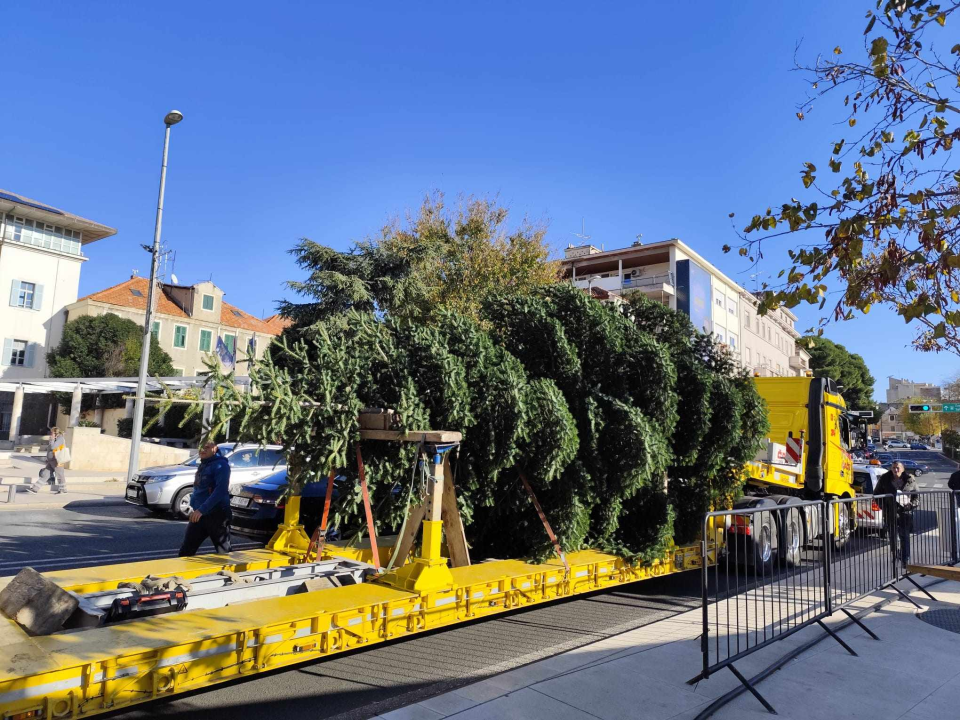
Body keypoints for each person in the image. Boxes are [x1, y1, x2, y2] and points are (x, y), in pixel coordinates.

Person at [178, 441, 233, 557]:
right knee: (186, 552)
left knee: (224, 553)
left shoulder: (221, 465)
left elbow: (221, 490)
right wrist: (194, 506)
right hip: (199, 515)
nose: (203, 450)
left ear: (215, 448)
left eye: (207, 447)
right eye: (201, 447)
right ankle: (183, 575)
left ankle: (232, 574)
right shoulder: (204, 464)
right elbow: (200, 488)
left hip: (217, 515)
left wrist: (201, 509)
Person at [874, 461, 919, 567]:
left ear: (902, 469)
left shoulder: (910, 479)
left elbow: (917, 496)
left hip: (905, 513)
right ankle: (895, 555)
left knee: (905, 536)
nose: (895, 470)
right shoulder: (885, 478)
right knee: (893, 537)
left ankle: (905, 558)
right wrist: (884, 507)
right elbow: (876, 494)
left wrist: (911, 505)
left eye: (898, 468)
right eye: (894, 468)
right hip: (890, 513)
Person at [27, 427, 67, 494]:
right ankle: (35, 489)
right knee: (45, 474)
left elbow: (53, 447)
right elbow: (49, 450)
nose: (50, 434)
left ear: (55, 433)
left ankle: (63, 489)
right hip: (52, 460)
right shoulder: (55, 439)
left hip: (57, 460)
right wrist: (48, 459)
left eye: (52, 433)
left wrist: (51, 440)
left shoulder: (60, 438)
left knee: (60, 475)